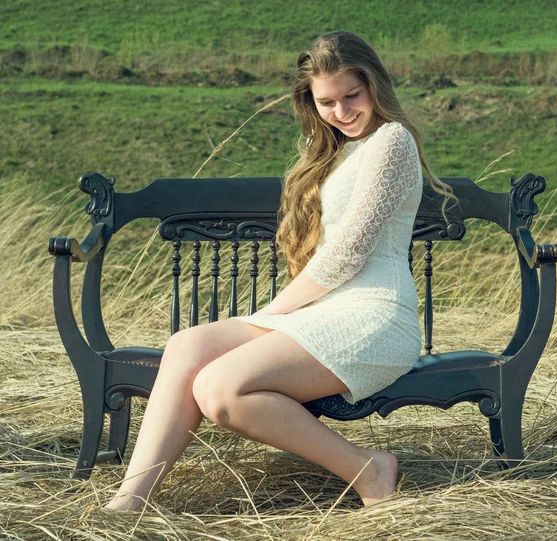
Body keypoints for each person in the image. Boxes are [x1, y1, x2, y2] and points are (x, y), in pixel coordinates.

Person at [105, 30, 458, 511]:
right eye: (327, 103)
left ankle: (369, 469)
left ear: (374, 83)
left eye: (352, 95)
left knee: (220, 388)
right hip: (328, 312)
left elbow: (348, 253)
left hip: (376, 316)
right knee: (186, 345)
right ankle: (129, 502)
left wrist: (271, 312)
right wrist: (278, 316)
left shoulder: (390, 141)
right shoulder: (342, 149)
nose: (342, 111)